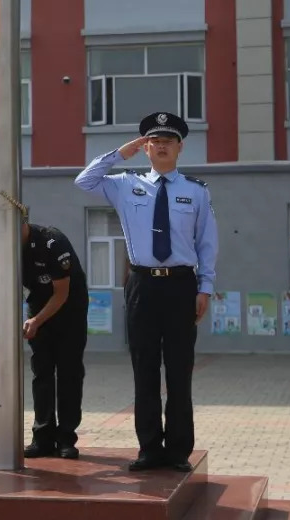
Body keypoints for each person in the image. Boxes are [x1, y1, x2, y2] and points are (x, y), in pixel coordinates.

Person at [74, 111, 218, 473]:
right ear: (145, 147)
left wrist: (206, 287)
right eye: (154, 140)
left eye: (169, 140)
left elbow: (207, 242)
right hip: (142, 285)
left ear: (180, 147)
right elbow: (84, 181)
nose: (162, 145)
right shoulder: (125, 184)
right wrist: (121, 153)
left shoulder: (195, 191)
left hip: (182, 284)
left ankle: (179, 450)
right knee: (145, 369)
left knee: (180, 370)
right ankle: (150, 448)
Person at [20, 218, 89, 460]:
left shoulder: (52, 242)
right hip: (39, 306)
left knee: (69, 373)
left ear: (23, 224)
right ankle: (42, 438)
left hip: (70, 309)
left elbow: (61, 293)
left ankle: (66, 439)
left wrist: (36, 321)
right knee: (42, 373)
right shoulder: (5, 247)